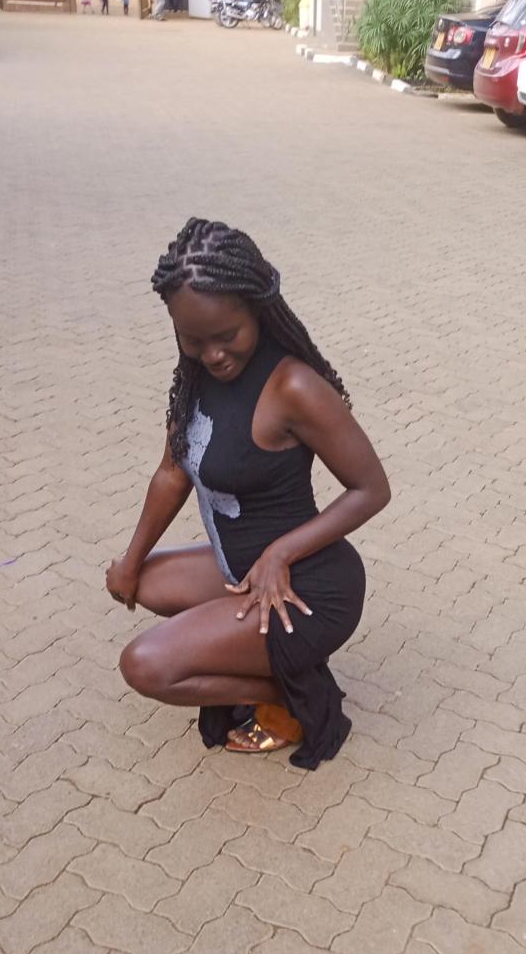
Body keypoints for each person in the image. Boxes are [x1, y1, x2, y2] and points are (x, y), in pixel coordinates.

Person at [106, 219, 390, 767]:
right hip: (240, 568)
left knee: (145, 665)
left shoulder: (294, 387)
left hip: (308, 585)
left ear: (257, 309)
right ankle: (270, 664)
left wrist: (281, 552)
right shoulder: (196, 377)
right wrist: (129, 560)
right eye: (194, 339)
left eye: (227, 335)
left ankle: (291, 699)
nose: (213, 354)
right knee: (145, 581)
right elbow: (171, 473)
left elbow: (371, 489)